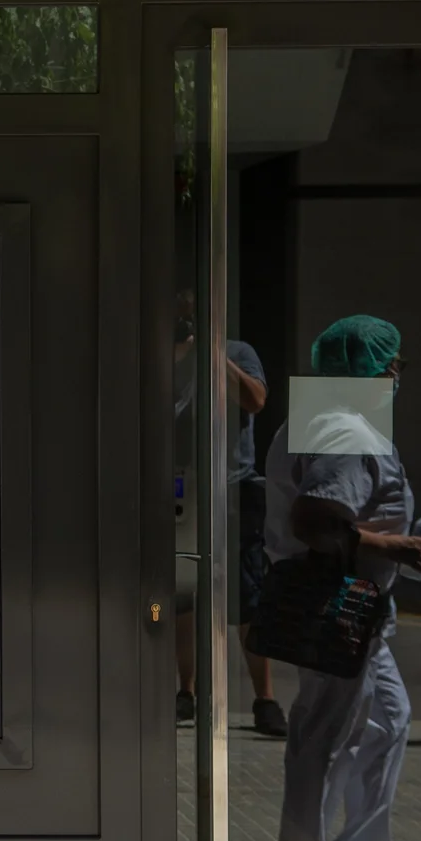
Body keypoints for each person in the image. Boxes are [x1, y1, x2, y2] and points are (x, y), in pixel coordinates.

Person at [264, 315, 421, 841]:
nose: (397, 376)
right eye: (395, 365)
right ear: (374, 369)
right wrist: (394, 546)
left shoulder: (321, 419)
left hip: (359, 607)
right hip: (338, 605)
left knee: (389, 718)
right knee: (321, 740)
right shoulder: (345, 432)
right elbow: (314, 520)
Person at [172, 298, 288, 737]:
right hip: (183, 484)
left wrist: (212, 355)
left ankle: (265, 698)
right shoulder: (168, 358)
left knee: (247, 595)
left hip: (233, 486)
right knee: (185, 591)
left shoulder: (237, 352)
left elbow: (255, 400)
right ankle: (187, 691)